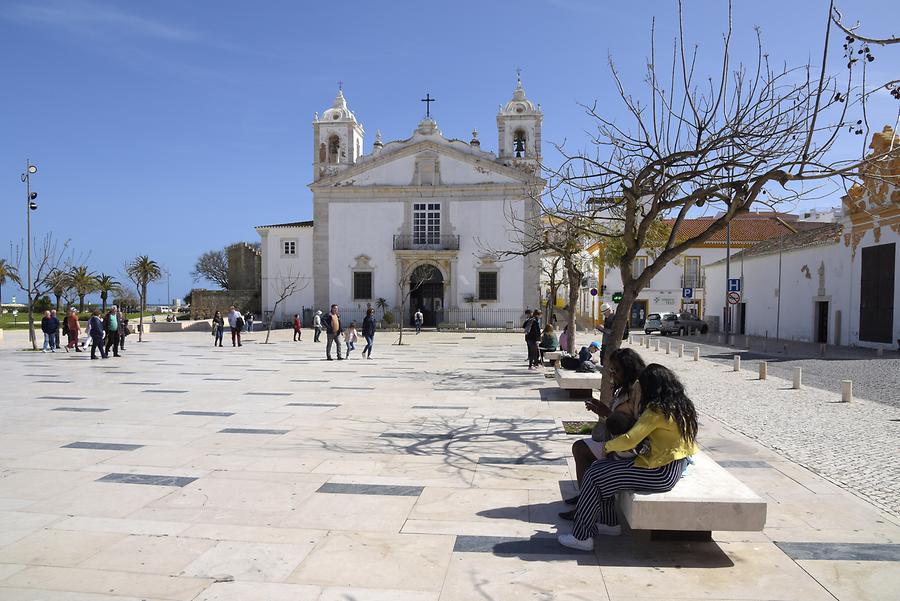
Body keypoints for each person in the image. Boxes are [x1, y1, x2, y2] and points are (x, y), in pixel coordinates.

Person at [558, 363, 698, 550]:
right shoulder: (681, 406)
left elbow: (630, 439)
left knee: (594, 474)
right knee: (604, 470)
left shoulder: (656, 411)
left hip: (658, 472)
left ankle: (581, 537)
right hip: (672, 467)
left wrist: (607, 447)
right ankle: (609, 524)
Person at [562, 347, 646, 512]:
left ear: (629, 369)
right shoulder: (623, 387)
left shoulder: (638, 390)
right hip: (617, 441)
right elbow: (618, 419)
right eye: (611, 369)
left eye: (616, 370)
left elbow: (637, 426)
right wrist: (604, 411)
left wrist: (608, 413)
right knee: (579, 448)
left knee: (583, 452)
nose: (612, 373)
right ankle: (585, 496)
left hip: (629, 447)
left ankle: (587, 505)